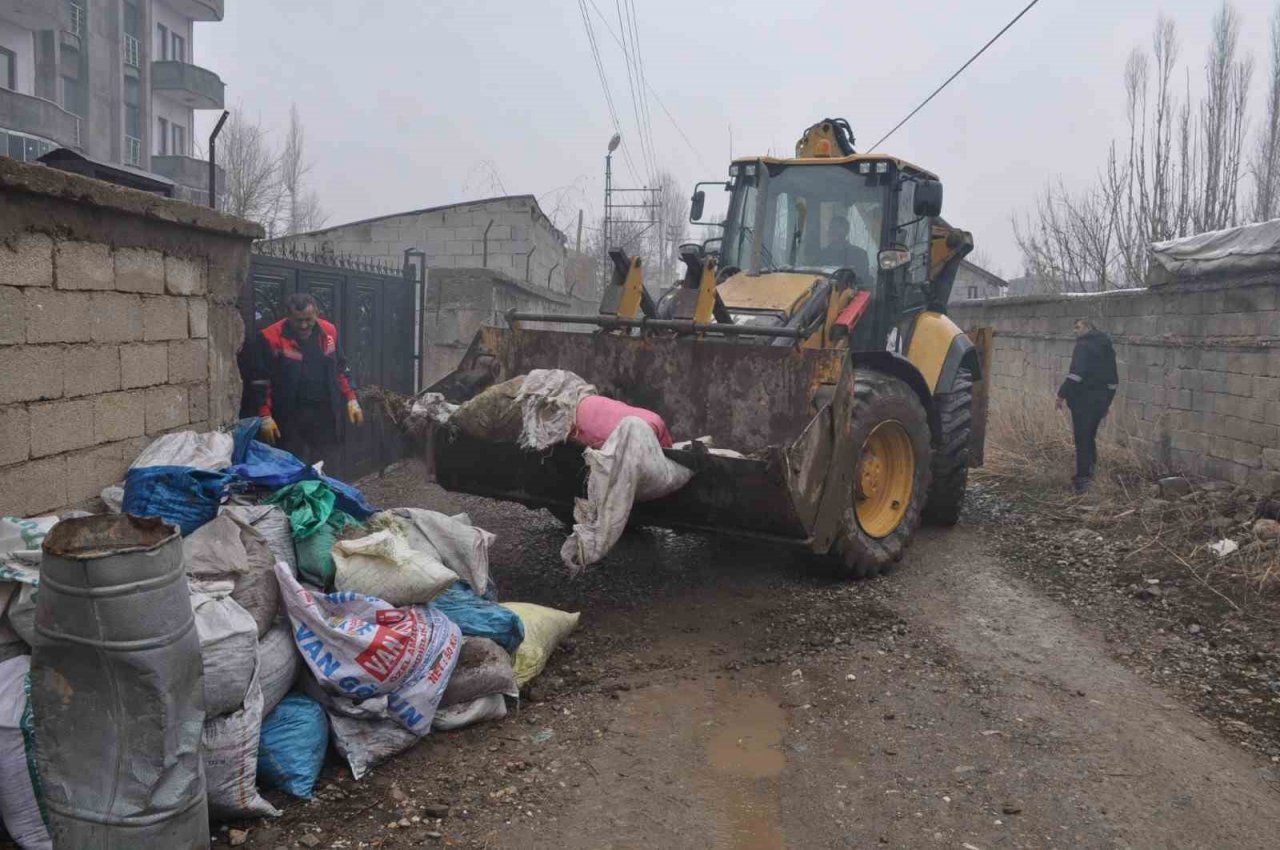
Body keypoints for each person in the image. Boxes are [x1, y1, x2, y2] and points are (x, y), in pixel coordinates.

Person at [249, 293, 363, 466]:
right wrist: (265, 415)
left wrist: (351, 399)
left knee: (329, 463)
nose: (303, 326)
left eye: (308, 319)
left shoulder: (329, 332)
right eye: (298, 320)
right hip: (289, 416)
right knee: (293, 466)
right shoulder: (270, 337)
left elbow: (340, 367)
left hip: (325, 413)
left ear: (316, 313)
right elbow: (260, 381)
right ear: (288, 316)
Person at [1056, 318, 1118, 493]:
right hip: (1100, 401)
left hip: (1083, 400)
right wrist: (1107, 402)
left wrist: (1061, 394)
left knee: (1082, 438)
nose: (1075, 331)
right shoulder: (1107, 346)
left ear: (1089, 327)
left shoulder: (1083, 346)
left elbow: (1076, 374)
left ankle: (1083, 481)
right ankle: (1091, 473)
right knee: (1090, 436)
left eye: (1078, 327)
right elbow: (1113, 381)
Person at [816, 214, 872, 282]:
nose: (833, 231)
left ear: (846, 231)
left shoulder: (859, 254)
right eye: (832, 228)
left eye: (837, 228)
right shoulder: (822, 254)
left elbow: (862, 281)